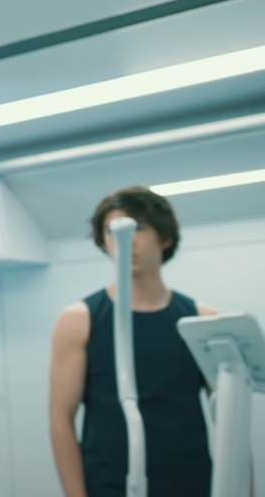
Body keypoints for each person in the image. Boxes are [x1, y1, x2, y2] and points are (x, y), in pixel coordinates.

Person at [49, 185, 216, 497]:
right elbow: (60, 420)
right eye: (110, 231)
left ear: (164, 237)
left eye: (138, 227)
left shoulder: (202, 321)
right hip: (110, 484)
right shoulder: (78, 320)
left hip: (191, 483)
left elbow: (231, 418)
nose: (124, 239)